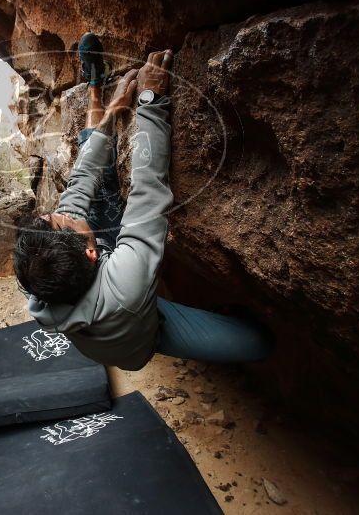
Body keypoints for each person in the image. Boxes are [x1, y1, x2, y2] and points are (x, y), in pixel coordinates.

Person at [14, 33, 274, 371]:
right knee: (258, 343)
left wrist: (114, 109)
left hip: (111, 288)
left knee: (98, 179)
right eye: (61, 219)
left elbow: (80, 182)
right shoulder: (126, 281)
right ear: (91, 253)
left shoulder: (42, 282)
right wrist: (150, 100)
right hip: (147, 328)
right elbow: (147, 185)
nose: (59, 212)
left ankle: (96, 87)